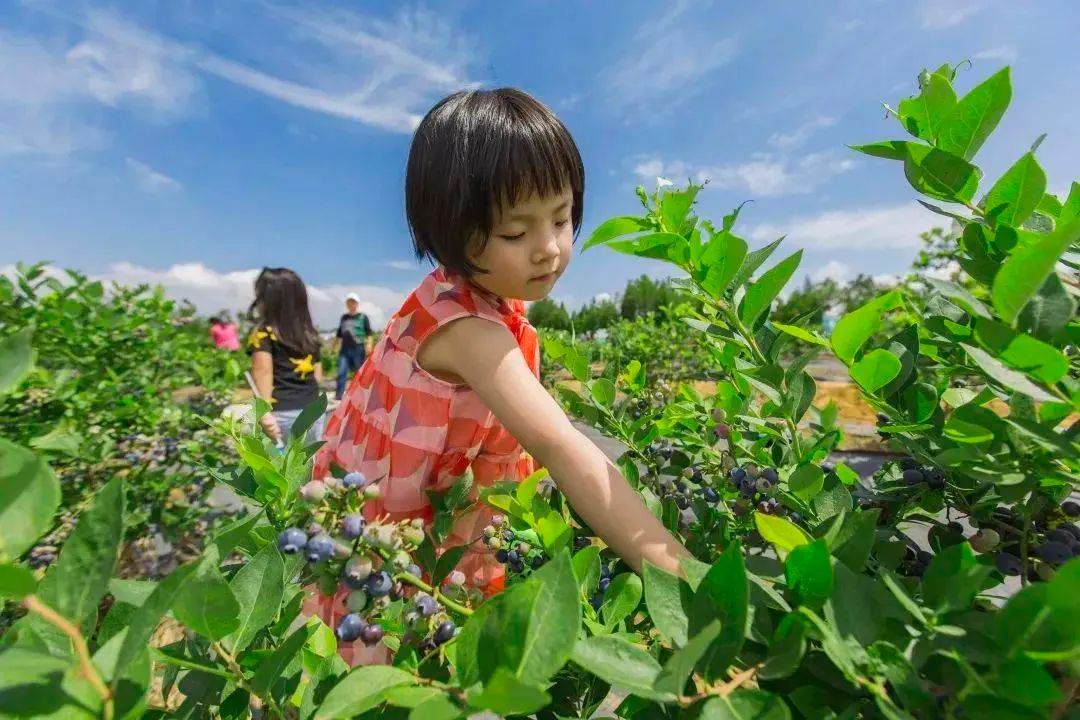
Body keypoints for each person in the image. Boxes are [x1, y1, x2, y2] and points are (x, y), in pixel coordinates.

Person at [309, 88, 689, 664]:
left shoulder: (462, 301)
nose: (550, 249)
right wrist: (685, 581)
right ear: (452, 233)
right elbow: (560, 444)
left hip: (425, 541)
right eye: (516, 232)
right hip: (406, 565)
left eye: (561, 219)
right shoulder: (466, 329)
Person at [247, 267, 326, 444]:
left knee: (280, 470)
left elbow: (263, 371)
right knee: (307, 466)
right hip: (313, 411)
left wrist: (264, 412)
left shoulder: (262, 333)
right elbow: (318, 375)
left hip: (281, 414)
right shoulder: (309, 333)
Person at [332, 293, 374, 400]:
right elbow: (339, 334)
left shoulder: (363, 317)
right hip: (344, 350)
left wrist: (369, 345)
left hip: (358, 349)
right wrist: (333, 347)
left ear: (357, 303)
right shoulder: (344, 318)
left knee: (359, 374)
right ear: (347, 304)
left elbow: (369, 334)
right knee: (341, 372)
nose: (351, 304)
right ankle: (339, 397)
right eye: (349, 302)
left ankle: (359, 396)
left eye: (353, 302)